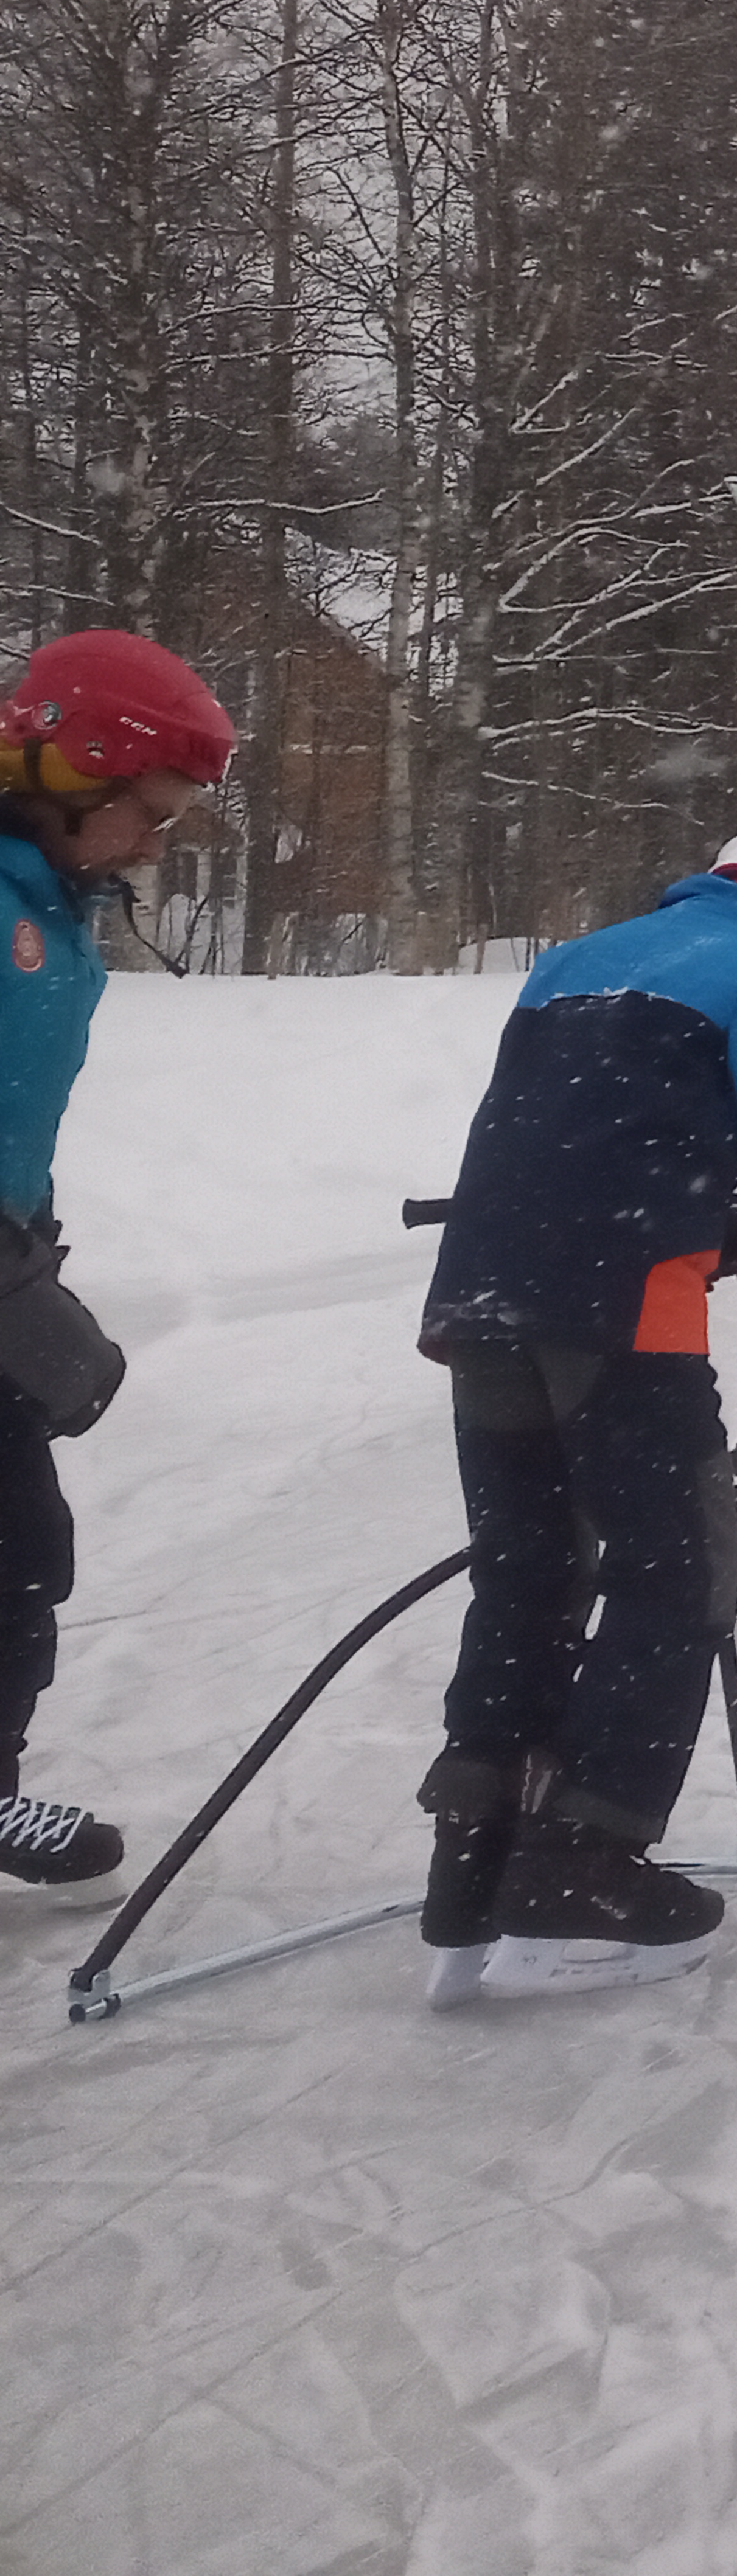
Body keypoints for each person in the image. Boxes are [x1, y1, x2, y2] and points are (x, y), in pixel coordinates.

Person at [413, 814, 737, 1998]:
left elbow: (573, 1134)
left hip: (485, 1290)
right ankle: (584, 1850)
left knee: (528, 1566)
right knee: (676, 1564)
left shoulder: (576, 958)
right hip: (618, 1306)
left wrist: (697, 1206)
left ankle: (477, 1846)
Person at [0, 631, 237, 1890]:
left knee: (20, 1554)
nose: (158, 844)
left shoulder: (50, 908)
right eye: (149, 812)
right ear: (71, 771)